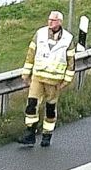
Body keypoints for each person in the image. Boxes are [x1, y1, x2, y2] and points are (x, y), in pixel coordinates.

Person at [17, 11, 76, 147]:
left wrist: (66, 81)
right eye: (49, 19)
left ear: (60, 22)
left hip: (54, 81)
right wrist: (26, 74)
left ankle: (47, 135)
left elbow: (71, 61)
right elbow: (31, 54)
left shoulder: (67, 39)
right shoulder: (40, 34)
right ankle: (30, 133)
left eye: (54, 20)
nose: (50, 22)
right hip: (38, 77)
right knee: (32, 105)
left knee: (50, 108)